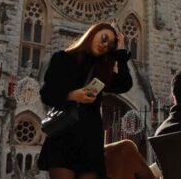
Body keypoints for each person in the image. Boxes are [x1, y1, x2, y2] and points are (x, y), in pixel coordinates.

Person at [38, 22, 133, 179]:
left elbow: (124, 84)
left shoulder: (101, 70)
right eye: (104, 38)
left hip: (90, 140)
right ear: (92, 34)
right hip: (63, 135)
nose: (105, 45)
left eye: (110, 45)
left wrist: (121, 52)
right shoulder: (63, 59)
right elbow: (47, 94)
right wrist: (72, 95)